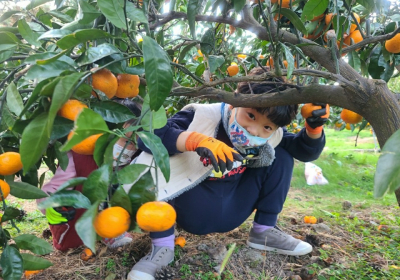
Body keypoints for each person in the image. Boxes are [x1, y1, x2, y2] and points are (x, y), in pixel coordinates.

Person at [126, 67, 328, 280]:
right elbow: (151, 138)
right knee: (160, 155)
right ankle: (162, 248)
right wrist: (195, 141)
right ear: (235, 101)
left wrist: (314, 129)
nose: (254, 130)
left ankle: (264, 231)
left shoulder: (272, 135)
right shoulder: (201, 116)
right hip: (189, 205)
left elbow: (302, 151)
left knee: (282, 155)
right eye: (250, 115)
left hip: (235, 206)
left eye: (266, 127)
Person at [37, 98, 142, 251]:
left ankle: (110, 232)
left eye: (133, 142)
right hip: (75, 223)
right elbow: (50, 191)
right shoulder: (79, 156)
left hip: (111, 220)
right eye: (121, 139)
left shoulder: (135, 159)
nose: (125, 147)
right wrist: (51, 206)